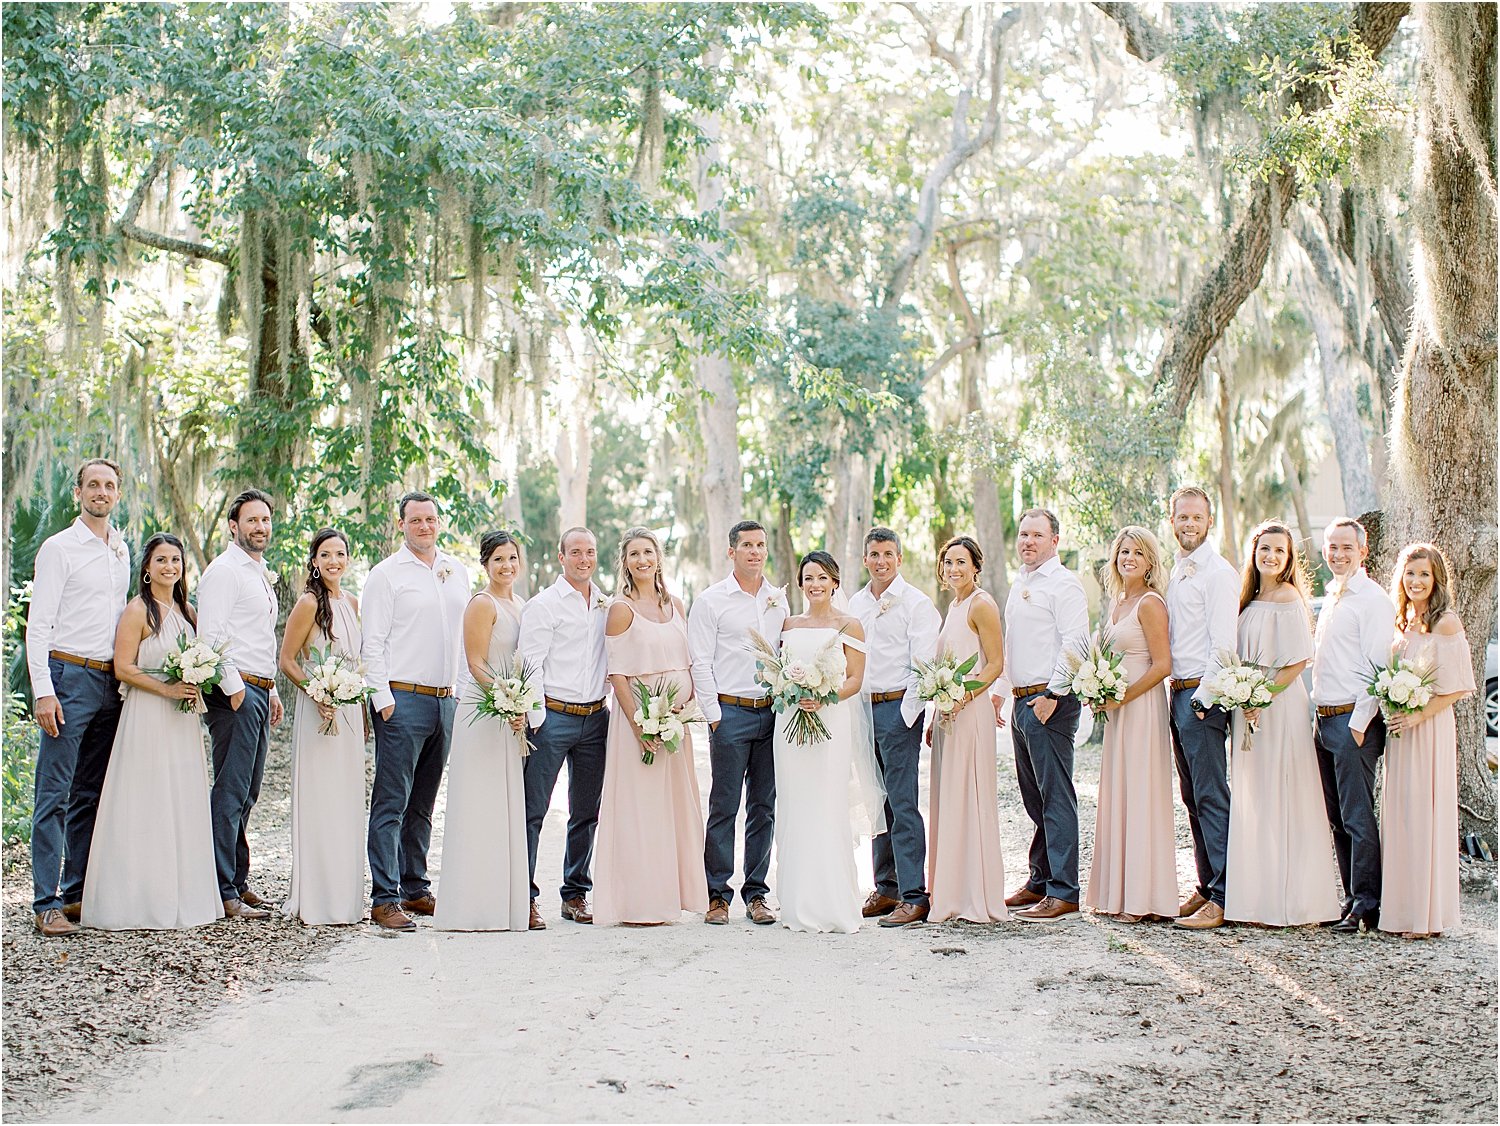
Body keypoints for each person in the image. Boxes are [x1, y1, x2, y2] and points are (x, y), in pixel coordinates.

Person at [82, 533, 221, 930]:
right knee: (147, 799)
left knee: (180, 798)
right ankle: (139, 897)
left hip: (182, 718)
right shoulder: (137, 611)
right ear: (147, 568)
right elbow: (123, 667)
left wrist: (196, 681)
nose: (169, 567)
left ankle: (183, 894)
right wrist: (167, 689)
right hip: (147, 715)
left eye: (176, 561)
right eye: (161, 560)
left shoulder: (188, 612)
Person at [25, 458, 131, 936]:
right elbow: (38, 625)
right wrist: (44, 691)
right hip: (68, 676)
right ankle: (44, 901)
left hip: (111, 682)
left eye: (109, 486)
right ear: (78, 493)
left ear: (118, 495)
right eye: (93, 485)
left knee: (91, 792)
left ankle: (75, 894)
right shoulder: (59, 548)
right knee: (54, 794)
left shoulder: (121, 550)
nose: (101, 493)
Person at [361, 492, 471, 931]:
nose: (424, 526)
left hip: (445, 700)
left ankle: (414, 886)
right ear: (401, 524)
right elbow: (373, 643)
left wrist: (460, 697)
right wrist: (384, 701)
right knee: (391, 801)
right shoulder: (386, 576)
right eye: (416, 520)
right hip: (402, 699)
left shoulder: (455, 570)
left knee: (424, 803)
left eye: (431, 518)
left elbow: (463, 640)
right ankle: (384, 898)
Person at [1222, 521, 1341, 927]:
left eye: (1279, 551)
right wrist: (1243, 697)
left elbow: (1296, 663)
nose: (1270, 556)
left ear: (1289, 559)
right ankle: (1256, 897)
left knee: (1283, 792)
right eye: (1264, 549)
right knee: (1254, 796)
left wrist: (1260, 697)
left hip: (1277, 704)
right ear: (1253, 553)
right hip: (1247, 703)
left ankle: (1292, 900)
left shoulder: (1289, 597)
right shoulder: (1249, 599)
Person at [593, 528, 708, 927]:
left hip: (676, 722)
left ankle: (673, 896)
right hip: (638, 724)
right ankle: (640, 902)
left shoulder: (676, 604)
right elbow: (618, 675)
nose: (642, 560)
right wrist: (639, 725)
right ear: (624, 562)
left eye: (648, 552)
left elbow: (690, 662)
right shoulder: (620, 609)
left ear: (659, 558)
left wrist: (685, 709)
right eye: (634, 554)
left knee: (674, 808)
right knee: (641, 810)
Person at [688, 520, 788, 926]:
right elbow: (700, 661)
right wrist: (715, 717)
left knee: (764, 807)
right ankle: (717, 893)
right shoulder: (711, 601)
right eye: (746, 545)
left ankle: (757, 893)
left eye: (760, 545)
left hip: (771, 713)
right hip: (729, 714)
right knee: (724, 806)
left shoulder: (778, 600)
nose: (755, 552)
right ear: (732, 552)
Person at [773, 551, 878, 933]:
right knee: (796, 805)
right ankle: (797, 903)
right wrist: (790, 689)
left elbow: (855, 678)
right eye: (808, 578)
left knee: (826, 804)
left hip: (830, 722)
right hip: (789, 726)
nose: (814, 584)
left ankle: (833, 903)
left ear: (835, 582)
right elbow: (781, 671)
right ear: (800, 583)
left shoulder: (850, 625)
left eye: (822, 577)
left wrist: (825, 695)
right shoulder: (788, 623)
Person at [435, 530, 530, 932]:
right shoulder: (481, 603)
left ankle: (503, 904)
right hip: (483, 711)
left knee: (503, 807)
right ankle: (470, 907)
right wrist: (507, 698)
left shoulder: (522, 604)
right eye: (498, 560)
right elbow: (476, 662)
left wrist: (521, 704)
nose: (507, 566)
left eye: (512, 558)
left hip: (510, 714)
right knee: (478, 804)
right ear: (485, 565)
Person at [1083, 526, 1178, 924]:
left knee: (1140, 795)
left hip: (1140, 708)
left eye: (1138, 553)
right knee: (1120, 793)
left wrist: (1122, 696)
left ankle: (1143, 899)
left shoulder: (1151, 603)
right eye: (1124, 552)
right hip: (1119, 710)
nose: (1129, 559)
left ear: (1150, 561)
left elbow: (1162, 665)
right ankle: (1118, 892)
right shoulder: (1119, 602)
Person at [997, 510, 1088, 923]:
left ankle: (1064, 891)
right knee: (1034, 798)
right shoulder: (1022, 583)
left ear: (1055, 539)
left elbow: (1076, 643)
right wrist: (1002, 693)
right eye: (1023, 534)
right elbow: (1013, 643)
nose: (1028, 541)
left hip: (1049, 702)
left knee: (1055, 797)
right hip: (1021, 702)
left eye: (1037, 535)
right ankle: (1040, 879)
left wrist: (1054, 693)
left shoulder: (1064, 585)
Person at [198, 487, 284, 921]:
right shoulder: (224, 572)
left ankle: (239, 880)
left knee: (248, 791)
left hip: (257, 689)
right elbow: (210, 636)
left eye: (265, 520)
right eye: (252, 520)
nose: (260, 527)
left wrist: (271, 689)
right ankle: (222, 888)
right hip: (234, 694)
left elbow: (258, 639)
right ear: (234, 526)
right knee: (230, 790)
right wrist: (235, 689)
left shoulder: (259, 571)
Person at [1381, 543, 1475, 939]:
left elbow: (1458, 687)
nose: (1416, 581)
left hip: (1429, 730)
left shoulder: (1446, 623)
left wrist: (1417, 714)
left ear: (1436, 580)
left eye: (1424, 575)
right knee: (1400, 815)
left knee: (1424, 815)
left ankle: (1426, 916)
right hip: (1401, 732)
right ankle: (1401, 910)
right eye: (1410, 574)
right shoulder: (1403, 622)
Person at [849, 528, 941, 928]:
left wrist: (906, 716)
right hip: (862, 711)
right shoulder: (854, 603)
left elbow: (922, 665)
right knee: (876, 802)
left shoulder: (916, 604)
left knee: (902, 804)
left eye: (888, 553)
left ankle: (913, 895)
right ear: (865, 559)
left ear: (899, 559)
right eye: (874, 554)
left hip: (896, 710)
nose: (881, 561)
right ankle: (885, 887)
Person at [519, 527, 609, 927]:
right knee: (532, 810)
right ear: (561, 557)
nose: (584, 559)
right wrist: (538, 720)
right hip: (552, 717)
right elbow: (530, 664)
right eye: (576, 552)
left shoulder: (607, 604)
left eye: (590, 552)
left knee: (586, 812)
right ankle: (523, 895)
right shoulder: (544, 605)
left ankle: (575, 894)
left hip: (596, 720)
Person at [1311, 517, 1396, 934]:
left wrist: (1360, 724)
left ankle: (1368, 903)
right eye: (1332, 547)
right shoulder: (1334, 596)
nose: (1338, 554)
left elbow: (1379, 668)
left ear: (1363, 551)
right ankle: (1351, 899)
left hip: (1352, 722)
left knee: (1358, 817)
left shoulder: (1373, 600)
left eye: (1347, 547)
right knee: (1337, 816)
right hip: (1324, 719)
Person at [278, 528, 367, 926]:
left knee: (346, 800)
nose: (334, 561)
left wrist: (359, 712)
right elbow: (288, 660)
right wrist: (317, 694)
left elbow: (357, 663)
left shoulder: (351, 601)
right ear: (314, 560)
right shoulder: (308, 603)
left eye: (340, 554)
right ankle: (316, 898)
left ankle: (344, 898)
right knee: (321, 799)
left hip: (347, 712)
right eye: (326, 554)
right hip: (319, 713)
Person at [1163, 486, 1239, 931]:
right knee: (1192, 797)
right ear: (1172, 521)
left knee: (1211, 796)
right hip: (1178, 695)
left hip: (1201, 698)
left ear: (1209, 522)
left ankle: (1226, 896)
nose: (1189, 525)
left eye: (1196, 518)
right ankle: (1207, 884)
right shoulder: (1176, 571)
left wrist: (1202, 700)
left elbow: (1223, 644)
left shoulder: (1218, 573)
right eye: (1182, 518)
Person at [929, 536, 1008, 923]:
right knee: (951, 797)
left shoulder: (982, 604)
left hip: (971, 712)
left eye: (961, 562)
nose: (954, 568)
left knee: (970, 796)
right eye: (948, 562)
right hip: (947, 715)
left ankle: (976, 894)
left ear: (976, 566)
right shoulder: (955, 605)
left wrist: (964, 697)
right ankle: (953, 891)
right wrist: (936, 711)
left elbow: (994, 664)